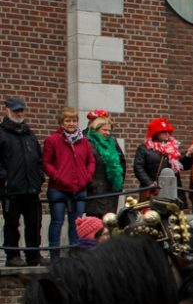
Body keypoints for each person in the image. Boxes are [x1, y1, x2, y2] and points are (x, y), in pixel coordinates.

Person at [43, 107, 94, 257]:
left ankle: (75, 252)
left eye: (74, 120)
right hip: (58, 188)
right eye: (68, 120)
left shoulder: (84, 141)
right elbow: (46, 162)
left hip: (79, 187)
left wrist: (87, 176)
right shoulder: (52, 140)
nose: (71, 123)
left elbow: (90, 161)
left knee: (76, 223)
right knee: (57, 222)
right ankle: (54, 254)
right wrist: (57, 176)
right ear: (61, 122)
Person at [0, 96, 45, 267]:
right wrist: (4, 179)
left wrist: (39, 177)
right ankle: (12, 256)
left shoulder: (29, 134)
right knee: (12, 224)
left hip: (31, 188)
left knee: (34, 223)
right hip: (11, 189)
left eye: (21, 110)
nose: (19, 113)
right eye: (16, 110)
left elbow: (38, 159)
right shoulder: (2, 133)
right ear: (7, 110)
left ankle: (33, 255)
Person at [134, 117, 191, 206]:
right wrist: (149, 183)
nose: (167, 134)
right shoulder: (144, 148)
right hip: (154, 188)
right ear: (156, 133)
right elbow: (138, 167)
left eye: (168, 132)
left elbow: (184, 166)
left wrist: (188, 155)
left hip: (172, 188)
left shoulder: (173, 148)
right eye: (163, 132)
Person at [83, 111, 126, 219]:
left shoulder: (112, 142)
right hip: (95, 189)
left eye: (109, 130)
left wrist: (119, 182)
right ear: (96, 129)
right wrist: (91, 184)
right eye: (104, 130)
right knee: (95, 221)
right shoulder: (87, 141)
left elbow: (122, 162)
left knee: (110, 220)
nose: (107, 133)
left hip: (111, 187)